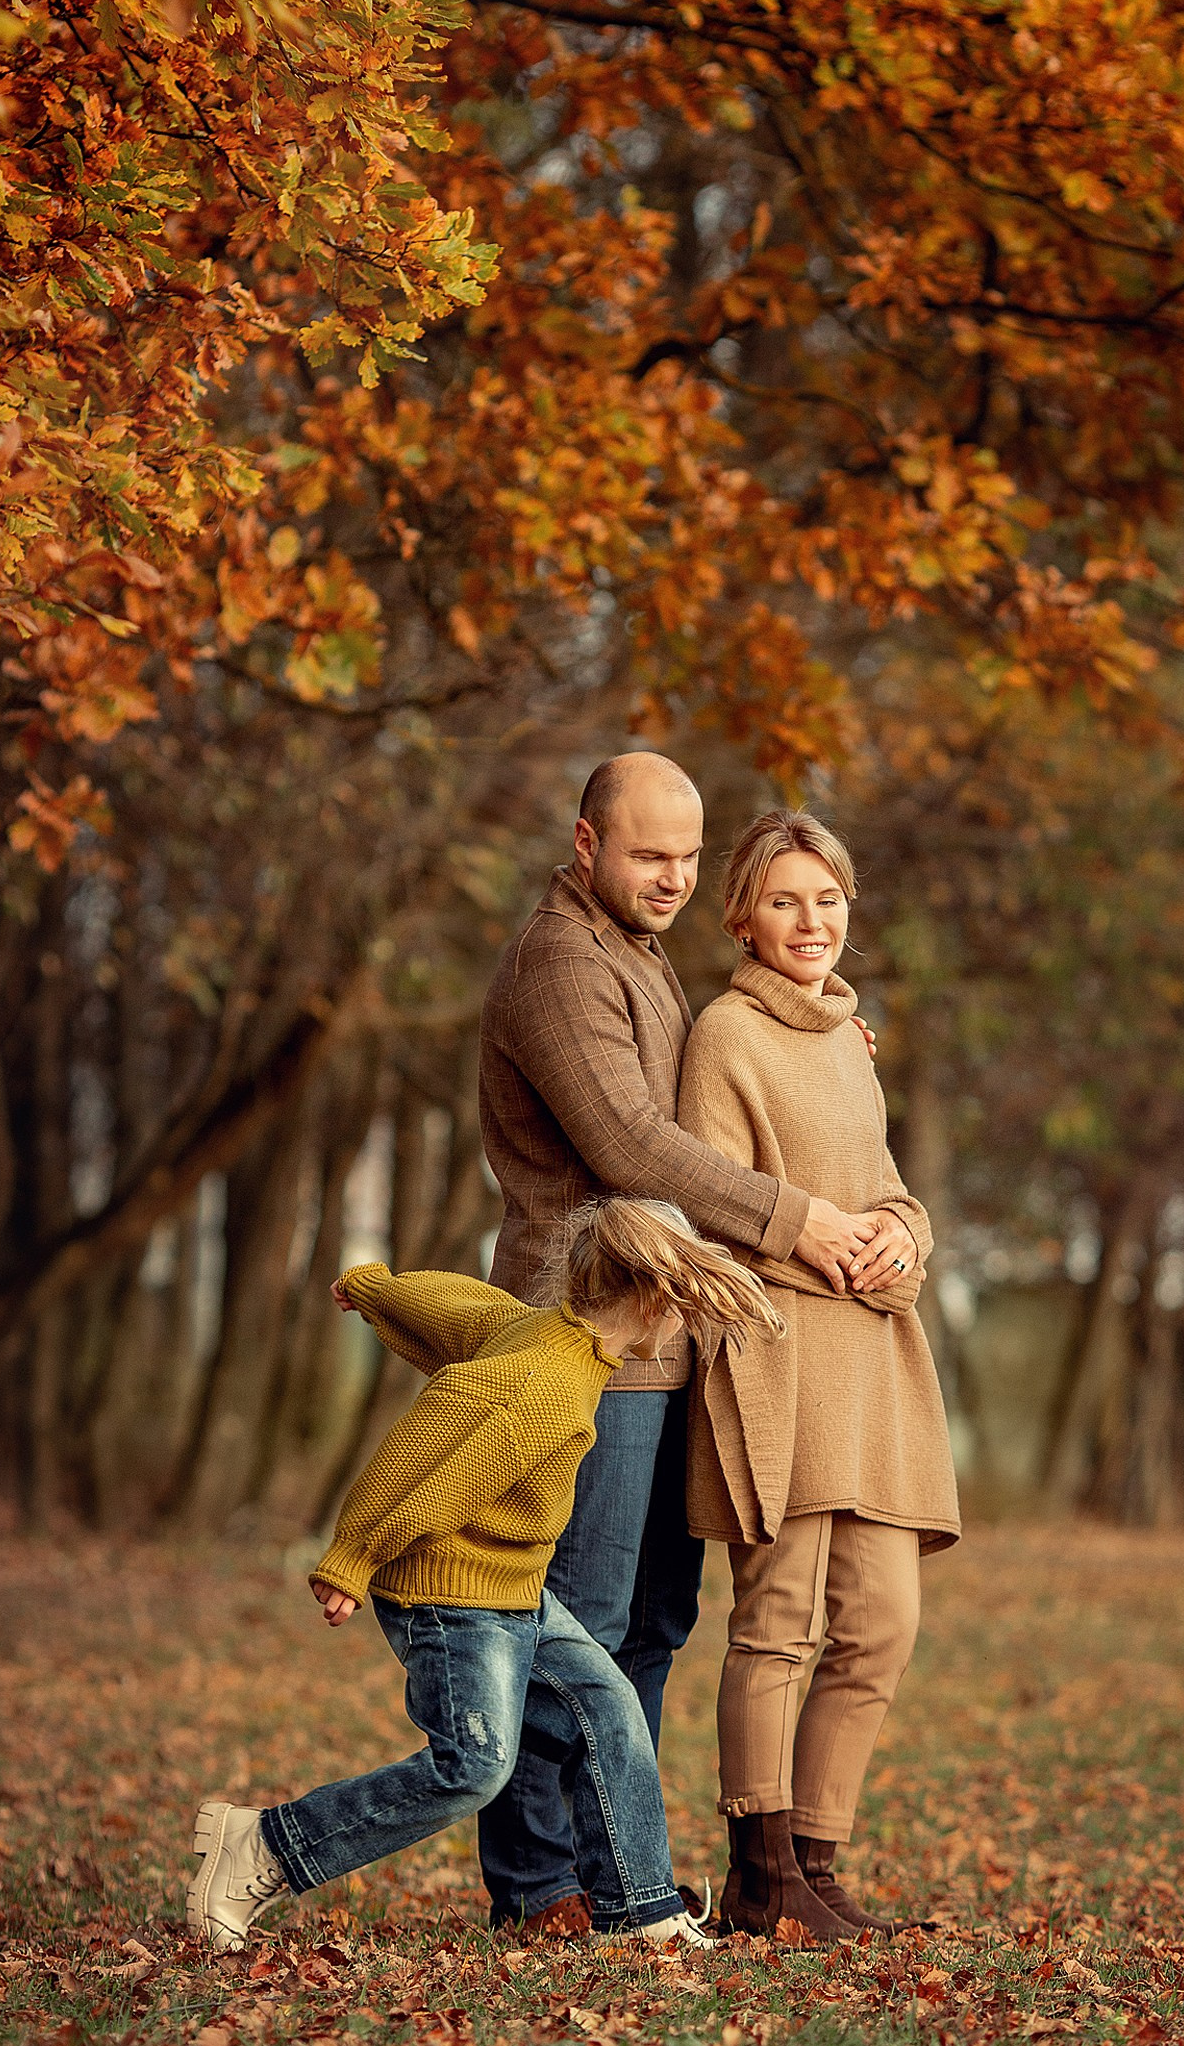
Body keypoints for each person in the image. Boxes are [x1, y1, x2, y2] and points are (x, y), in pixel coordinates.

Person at [473, 753, 888, 1938]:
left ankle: (619, 1873)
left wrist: (824, 1044)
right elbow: (630, 1143)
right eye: (648, 854)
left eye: (687, 859)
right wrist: (799, 1220)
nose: (670, 878)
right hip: (587, 1342)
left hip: (669, 1340)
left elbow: (722, 1075)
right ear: (586, 842)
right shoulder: (559, 963)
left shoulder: (640, 958)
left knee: (652, 1623)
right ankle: (536, 1882)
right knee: (577, 1624)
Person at [186, 1197, 784, 1956]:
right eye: (683, 1309)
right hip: (452, 1597)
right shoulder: (549, 1388)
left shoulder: (542, 1331)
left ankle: (639, 1910)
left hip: (515, 1590)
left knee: (610, 1707)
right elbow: (434, 1466)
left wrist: (377, 1290)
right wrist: (355, 1556)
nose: (679, 1332)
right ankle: (267, 1846)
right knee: (473, 1767)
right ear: (655, 1298)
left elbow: (459, 1308)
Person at [677, 808, 961, 1943]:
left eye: (828, 898)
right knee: (779, 1620)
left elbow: (883, 1180)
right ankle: (758, 1874)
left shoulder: (851, 1037)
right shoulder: (725, 1036)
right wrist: (811, 1240)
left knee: (882, 1621)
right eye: (786, 900)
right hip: (779, 1350)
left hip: (874, 1354)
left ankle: (818, 1863)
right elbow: (705, 1198)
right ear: (742, 915)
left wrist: (906, 1232)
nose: (811, 920)